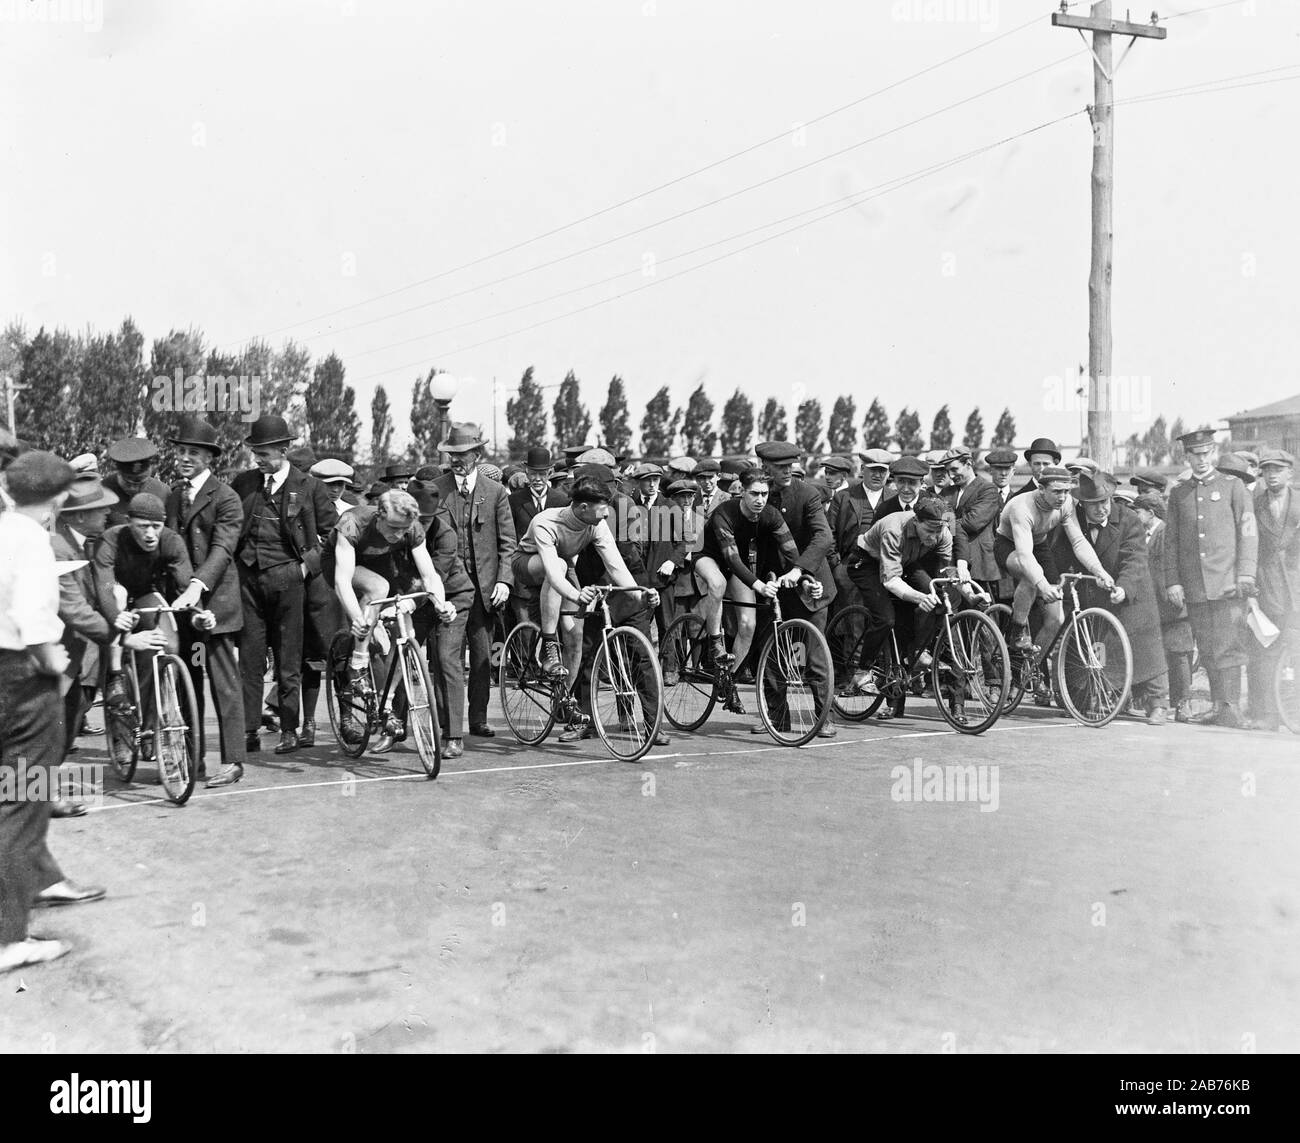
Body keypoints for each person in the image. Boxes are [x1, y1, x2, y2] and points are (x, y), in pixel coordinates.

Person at [2, 450, 105, 976]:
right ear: (59, 498)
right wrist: (55, 663)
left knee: (16, 792)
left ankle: (42, 878)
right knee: (21, 802)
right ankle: (7, 939)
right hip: (23, 678)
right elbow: (32, 618)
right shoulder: (34, 541)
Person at [232, 414, 337, 754]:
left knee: (288, 659)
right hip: (248, 581)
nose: (258, 459)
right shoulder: (244, 483)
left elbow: (333, 535)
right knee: (249, 661)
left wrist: (307, 569)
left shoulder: (310, 487)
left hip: (290, 581)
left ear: (284, 449)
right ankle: (249, 730)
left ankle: (289, 730)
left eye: (264, 453)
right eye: (255, 452)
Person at [511, 475, 654, 717]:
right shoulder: (545, 522)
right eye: (602, 508)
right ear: (583, 507)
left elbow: (616, 566)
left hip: (563, 567)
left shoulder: (596, 524)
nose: (607, 514)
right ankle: (548, 643)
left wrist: (640, 596)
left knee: (575, 634)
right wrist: (578, 596)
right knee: (557, 565)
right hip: (529, 564)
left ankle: (564, 702)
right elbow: (554, 576)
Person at [327, 488, 456, 753]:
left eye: (404, 530)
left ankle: (386, 703)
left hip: (385, 564)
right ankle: (358, 665)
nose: (399, 534)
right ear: (380, 515)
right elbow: (342, 580)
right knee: (377, 588)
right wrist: (356, 618)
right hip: (344, 566)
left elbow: (430, 576)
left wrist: (441, 604)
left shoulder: (411, 528)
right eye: (394, 528)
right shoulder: (353, 522)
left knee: (405, 629)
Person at [163, 416, 249, 787]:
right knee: (187, 681)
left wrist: (197, 588)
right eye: (181, 451)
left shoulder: (227, 497)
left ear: (209, 458)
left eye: (192, 453)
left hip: (215, 604)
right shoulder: (171, 495)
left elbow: (223, 548)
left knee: (223, 682)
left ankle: (233, 761)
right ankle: (192, 759)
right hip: (182, 605)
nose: (184, 458)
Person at [1053, 473, 1169, 724]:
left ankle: (1158, 703)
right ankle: (1108, 698)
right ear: (1082, 503)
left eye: (1105, 502)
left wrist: (1123, 588)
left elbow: (1135, 559)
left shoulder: (1128, 519)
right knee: (1104, 651)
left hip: (1132, 593)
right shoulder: (1073, 522)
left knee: (1145, 650)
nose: (1102, 509)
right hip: (1096, 596)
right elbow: (1062, 554)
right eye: (1094, 504)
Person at [1163, 428, 1257, 728]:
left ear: (1214, 453)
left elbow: (1248, 532)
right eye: (1195, 455)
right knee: (1206, 647)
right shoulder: (1179, 493)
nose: (1201, 460)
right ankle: (1217, 706)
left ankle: (1232, 707)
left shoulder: (1233, 486)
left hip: (1228, 583)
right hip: (1195, 586)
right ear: (1186, 456)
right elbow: (1171, 542)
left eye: (1206, 454)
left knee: (1229, 646)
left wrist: (1245, 573)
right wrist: (1173, 581)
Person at [845, 497, 965, 719]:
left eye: (938, 532)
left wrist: (967, 589)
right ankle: (862, 670)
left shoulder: (942, 531)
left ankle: (917, 655)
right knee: (887, 619)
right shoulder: (894, 529)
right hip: (867, 564)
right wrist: (920, 597)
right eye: (929, 531)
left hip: (907, 562)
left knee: (940, 602)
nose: (933, 537)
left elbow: (945, 568)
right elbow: (890, 580)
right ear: (916, 522)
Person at [432, 424, 516, 738]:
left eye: (463, 454)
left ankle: (478, 718)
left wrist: (504, 581)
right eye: (452, 454)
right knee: (446, 656)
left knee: (482, 657)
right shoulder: (436, 489)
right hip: (450, 590)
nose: (457, 459)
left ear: (477, 455)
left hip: (485, 591)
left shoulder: (495, 492)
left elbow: (508, 542)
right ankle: (447, 723)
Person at [994, 465, 1113, 671]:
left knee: (1056, 618)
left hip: (1039, 545)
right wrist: (1042, 584)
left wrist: (1099, 571)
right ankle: (1017, 630)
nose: (1062, 497)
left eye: (1066, 491)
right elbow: (1024, 556)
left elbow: (1078, 542)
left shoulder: (1065, 503)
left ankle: (1029, 670)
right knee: (1030, 579)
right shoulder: (1022, 508)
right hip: (1009, 544)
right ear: (1041, 488)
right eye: (1057, 491)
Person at [409, 481, 473, 757]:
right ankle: (395, 726)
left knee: (447, 660)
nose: (422, 524)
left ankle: (454, 736)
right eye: (417, 518)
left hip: (452, 597)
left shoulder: (446, 534)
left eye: (427, 519)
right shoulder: (399, 527)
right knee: (401, 654)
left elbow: (432, 578)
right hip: (417, 600)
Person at [1245, 449, 1298, 732]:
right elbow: (1248, 546)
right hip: (1266, 585)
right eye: (1267, 471)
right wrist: (1251, 587)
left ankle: (1293, 711)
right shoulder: (1254, 504)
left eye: (1278, 470)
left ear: (1290, 472)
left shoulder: (1299, 501)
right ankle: (1266, 714)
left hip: (1296, 585)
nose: (1273, 476)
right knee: (1265, 651)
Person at [1134, 491, 1194, 722]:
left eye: (1137, 511)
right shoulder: (1142, 535)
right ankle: (1157, 703)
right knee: (1156, 655)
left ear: (1150, 512)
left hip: (1173, 605)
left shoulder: (1167, 533)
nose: (1134, 516)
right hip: (1152, 607)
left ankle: (1183, 704)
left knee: (1179, 657)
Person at [827, 448, 893, 615]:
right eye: (873, 470)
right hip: (850, 562)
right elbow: (829, 532)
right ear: (863, 470)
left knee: (882, 616)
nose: (877, 475)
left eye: (882, 471)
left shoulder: (895, 497)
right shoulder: (843, 497)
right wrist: (836, 564)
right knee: (852, 616)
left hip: (884, 563)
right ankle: (853, 642)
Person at [940, 447, 1002, 598]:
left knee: (984, 614)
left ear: (969, 463)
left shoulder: (988, 490)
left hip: (980, 564)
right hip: (951, 560)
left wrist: (950, 522)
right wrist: (948, 523)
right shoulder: (946, 492)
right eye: (948, 471)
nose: (951, 475)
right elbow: (943, 521)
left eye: (954, 469)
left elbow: (972, 523)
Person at [507, 446, 569, 559]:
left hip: (555, 560)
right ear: (526, 473)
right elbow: (510, 537)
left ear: (550, 473)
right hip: (524, 563)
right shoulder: (514, 501)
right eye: (533, 474)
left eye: (542, 474)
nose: (537, 479)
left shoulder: (562, 501)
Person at [102, 437, 170, 528]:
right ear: (119, 473)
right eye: (128, 483)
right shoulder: (103, 491)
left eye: (141, 484)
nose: (134, 488)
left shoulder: (163, 492)